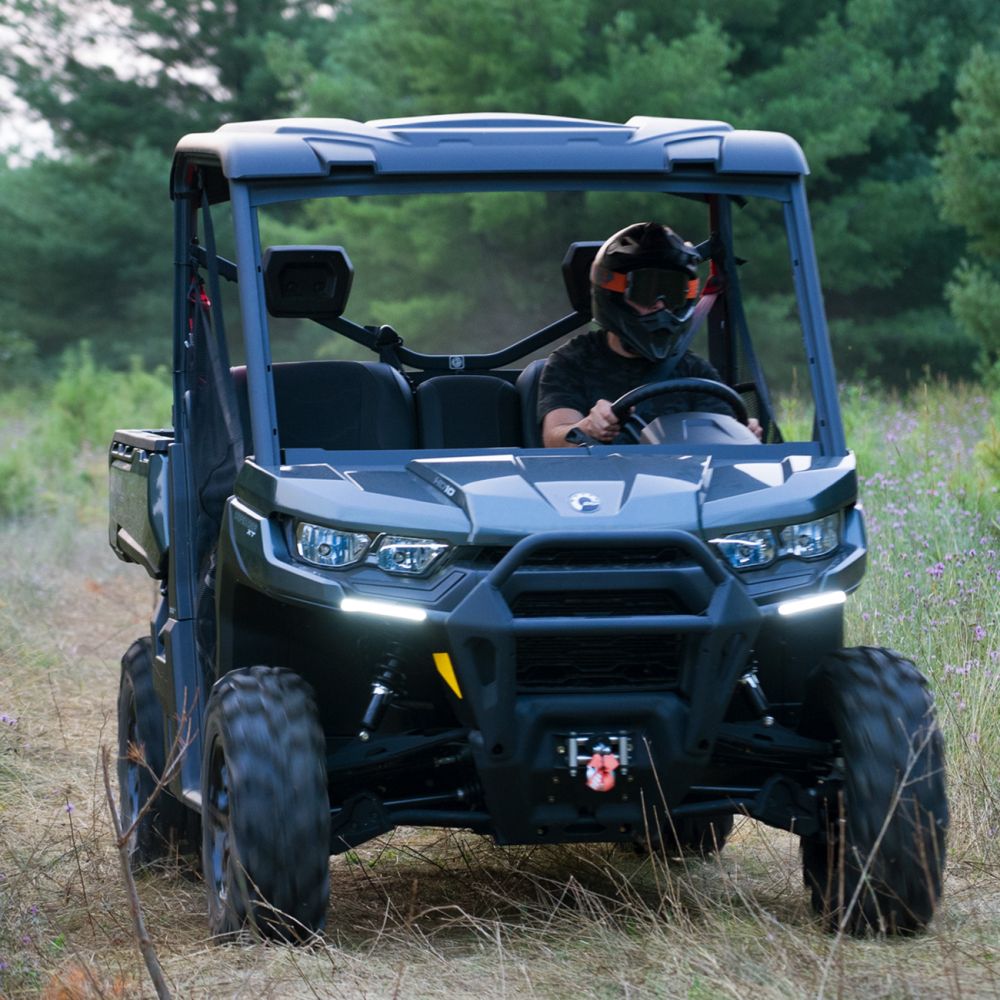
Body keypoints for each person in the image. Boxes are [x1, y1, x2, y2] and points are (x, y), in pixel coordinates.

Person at [538, 222, 762, 447]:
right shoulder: (572, 361)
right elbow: (554, 438)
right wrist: (587, 427)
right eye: (646, 291)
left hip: (678, 470)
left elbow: (722, 446)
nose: (660, 305)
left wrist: (742, 434)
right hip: (597, 470)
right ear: (612, 294)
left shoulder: (695, 372)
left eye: (672, 292)